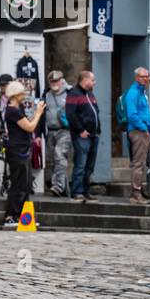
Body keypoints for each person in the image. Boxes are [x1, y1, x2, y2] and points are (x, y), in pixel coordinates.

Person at [2, 81, 46, 226]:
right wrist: (39, 112)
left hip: (22, 150)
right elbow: (30, 127)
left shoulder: (18, 108)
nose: (24, 95)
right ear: (16, 94)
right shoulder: (12, 111)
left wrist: (34, 114)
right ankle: (11, 216)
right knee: (18, 184)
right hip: (17, 151)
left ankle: (24, 217)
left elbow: (27, 123)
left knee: (26, 184)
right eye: (22, 93)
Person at [65, 70, 100, 202]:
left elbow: (95, 112)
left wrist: (98, 130)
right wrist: (80, 130)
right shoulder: (74, 94)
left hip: (94, 135)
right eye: (93, 80)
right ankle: (77, 191)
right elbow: (71, 115)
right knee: (80, 163)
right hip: (82, 136)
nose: (94, 82)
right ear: (85, 80)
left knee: (89, 165)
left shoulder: (90, 94)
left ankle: (86, 190)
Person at [123, 67, 150, 204]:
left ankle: (138, 192)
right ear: (136, 78)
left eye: (147, 76)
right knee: (138, 164)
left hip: (143, 131)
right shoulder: (133, 93)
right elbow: (132, 115)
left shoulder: (142, 92)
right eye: (143, 77)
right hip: (138, 132)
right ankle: (136, 194)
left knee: (142, 163)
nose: (146, 79)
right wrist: (143, 128)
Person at [42, 71, 71, 197]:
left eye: (56, 81)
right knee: (52, 160)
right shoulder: (46, 94)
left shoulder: (70, 93)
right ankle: (62, 188)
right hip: (50, 131)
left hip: (65, 131)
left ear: (62, 80)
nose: (54, 84)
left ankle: (58, 186)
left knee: (59, 155)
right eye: (51, 81)